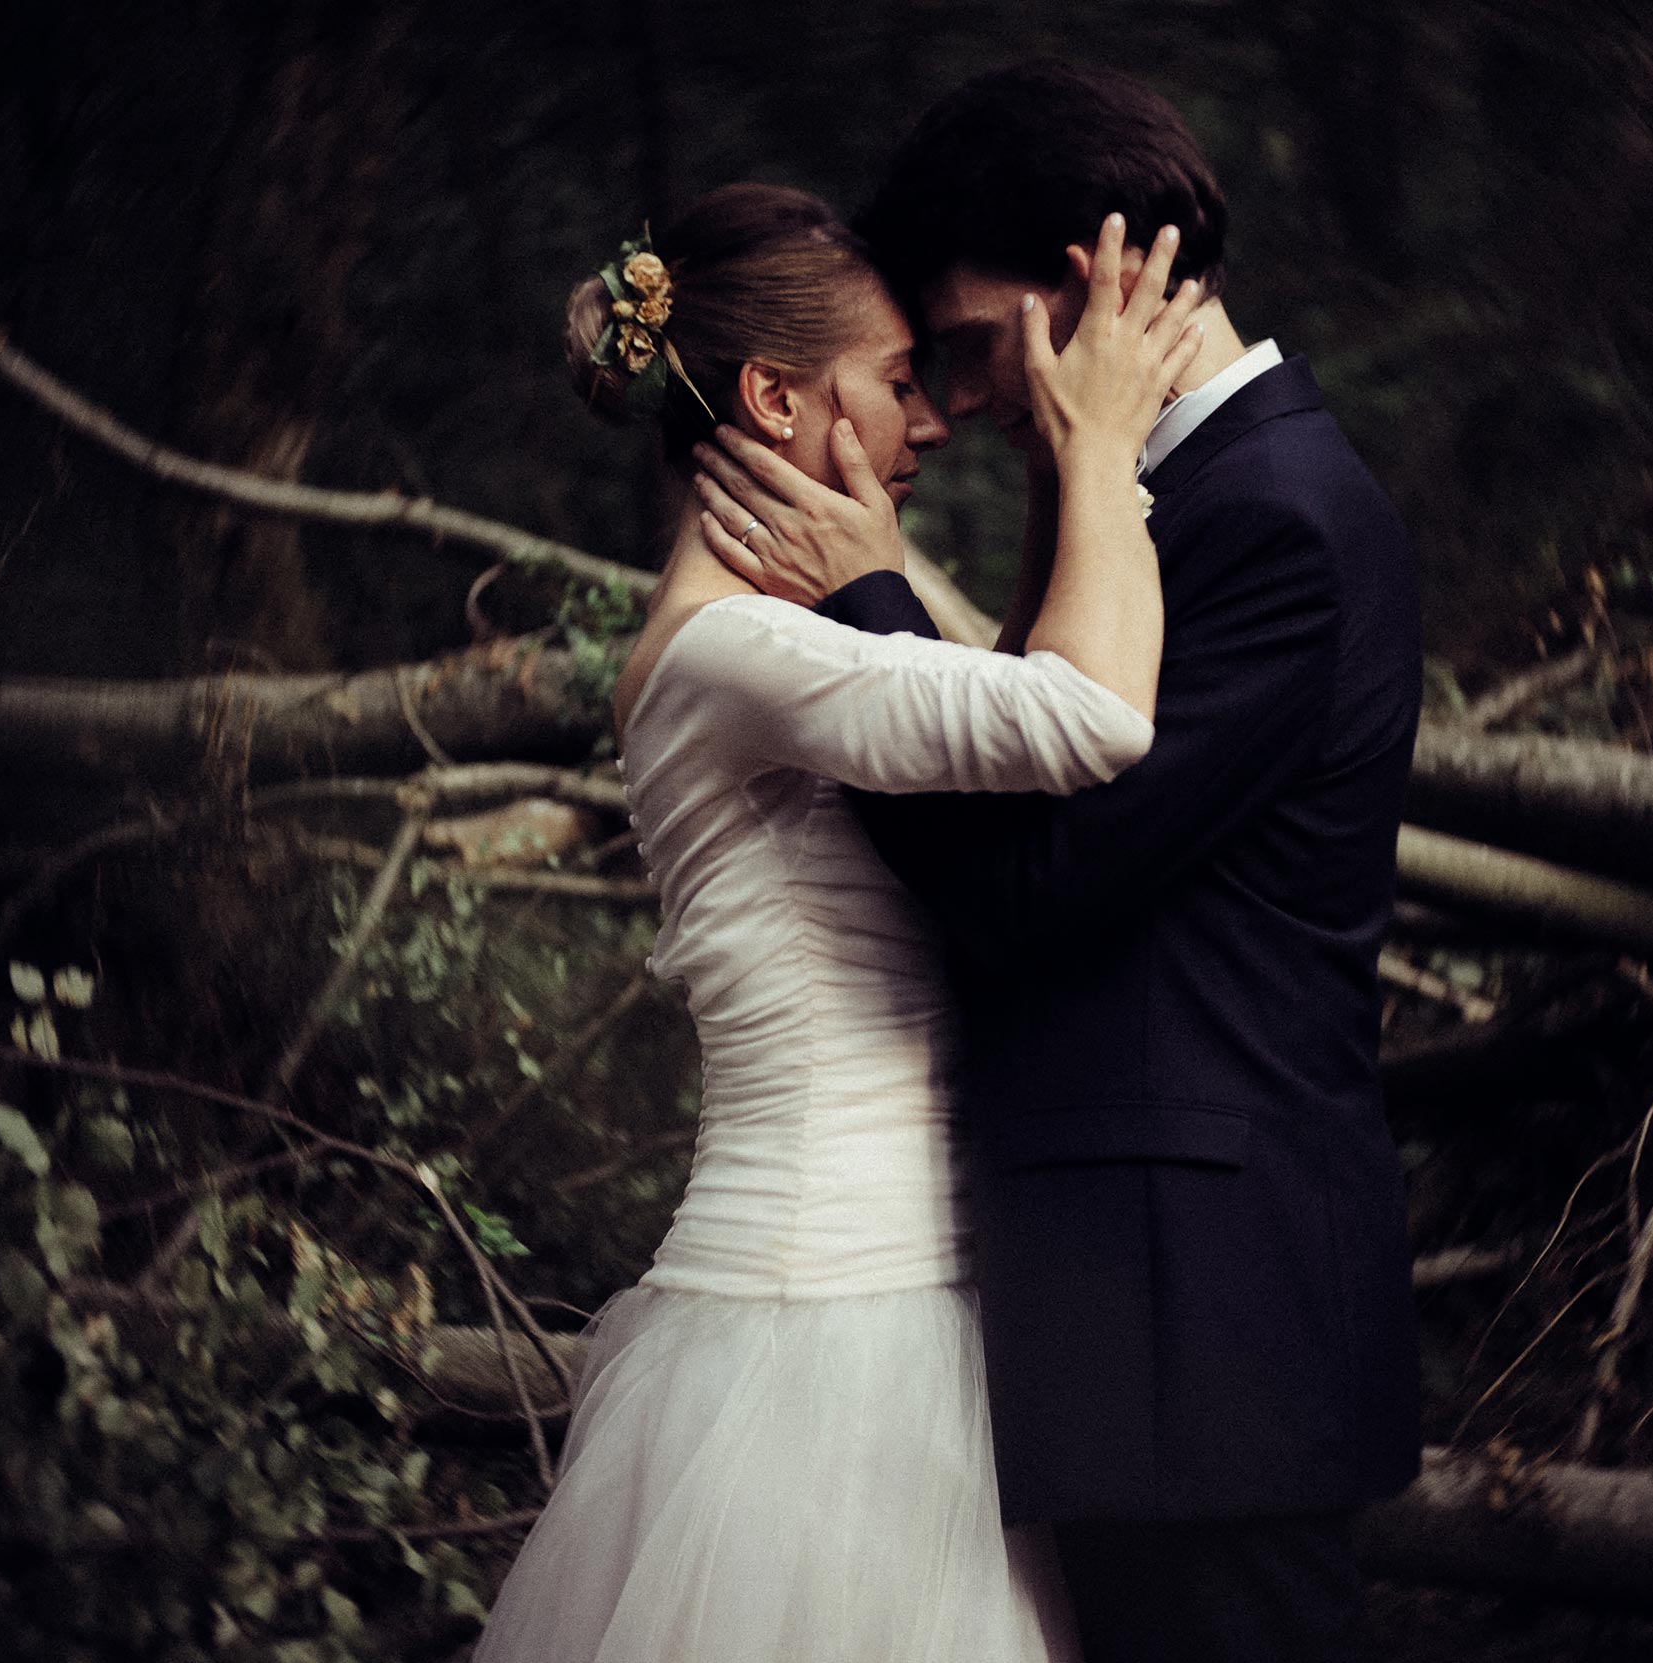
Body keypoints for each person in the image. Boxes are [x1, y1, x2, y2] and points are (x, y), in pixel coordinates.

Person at [693, 61, 1425, 1663]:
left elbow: (1033, 882)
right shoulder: (1167, 509)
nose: (944, 409)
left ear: (1089, 280)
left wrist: (874, 607)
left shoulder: (1270, 520)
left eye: (960, 347)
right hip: (1148, 1338)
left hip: (1203, 1337)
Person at [471, 183, 1204, 1662]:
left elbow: (980, 724)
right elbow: (1089, 715)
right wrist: (1104, 445)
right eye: (890, 383)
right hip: (833, 1332)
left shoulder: (757, 645)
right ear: (772, 398)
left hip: (868, 1300)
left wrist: (879, 574)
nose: (927, 422)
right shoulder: (739, 654)